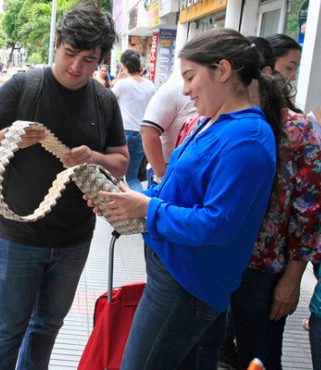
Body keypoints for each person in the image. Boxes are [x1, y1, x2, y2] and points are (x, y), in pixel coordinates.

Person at [88, 28, 285, 369]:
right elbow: (177, 193)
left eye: (191, 77)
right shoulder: (212, 123)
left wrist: (147, 207)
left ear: (223, 71)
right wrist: (130, 199)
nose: (186, 89)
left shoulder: (247, 138)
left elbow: (218, 223)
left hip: (187, 284)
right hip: (175, 274)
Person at [0, 3, 128, 369]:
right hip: (17, 237)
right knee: (6, 330)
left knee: (47, 328)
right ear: (57, 43)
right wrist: (10, 137)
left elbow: (121, 161)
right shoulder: (24, 86)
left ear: (102, 58)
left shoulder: (104, 100)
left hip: (74, 240)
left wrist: (96, 158)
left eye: (89, 60)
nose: (77, 67)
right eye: (70, 54)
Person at [217, 35, 321, 370]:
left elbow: (309, 213)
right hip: (213, 263)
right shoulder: (213, 120)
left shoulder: (298, 130)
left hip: (263, 272)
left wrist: (292, 279)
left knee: (259, 358)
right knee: (212, 353)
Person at [111, 49, 156, 191]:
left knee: (119, 175)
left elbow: (108, 100)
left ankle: (128, 207)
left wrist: (119, 78)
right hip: (142, 134)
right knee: (132, 176)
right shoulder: (150, 86)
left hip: (123, 134)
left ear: (124, 66)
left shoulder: (122, 84)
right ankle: (138, 207)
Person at [140, 75, 196, 182]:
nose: (186, 91)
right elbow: (148, 130)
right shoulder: (174, 88)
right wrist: (162, 175)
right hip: (169, 167)